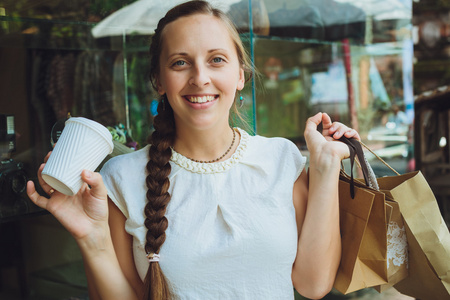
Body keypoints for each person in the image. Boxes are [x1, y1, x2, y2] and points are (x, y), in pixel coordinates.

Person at [26, 1, 360, 299]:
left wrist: (326, 165)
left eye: (216, 60)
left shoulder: (281, 160)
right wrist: (90, 238)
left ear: (240, 75)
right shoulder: (121, 178)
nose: (200, 78)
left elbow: (313, 284)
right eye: (180, 63)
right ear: (158, 80)